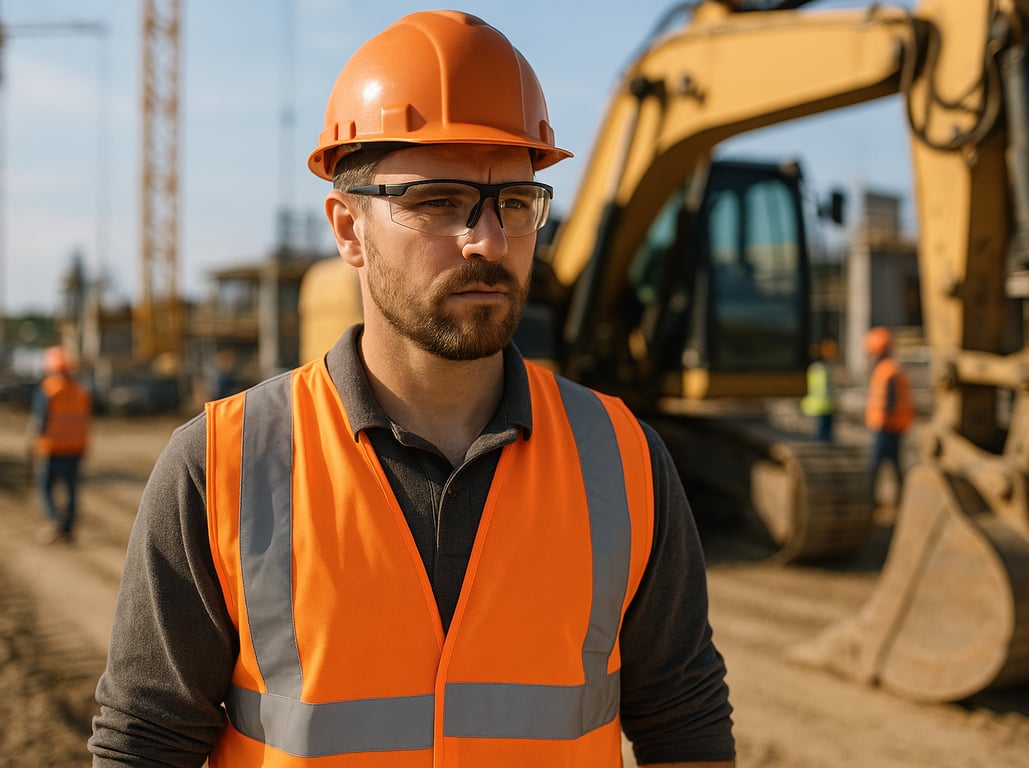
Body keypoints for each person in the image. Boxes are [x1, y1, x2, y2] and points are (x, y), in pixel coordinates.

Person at [89, 10, 735, 767]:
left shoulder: (622, 461)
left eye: (517, 204)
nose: (490, 241)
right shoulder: (222, 465)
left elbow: (684, 719)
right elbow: (146, 742)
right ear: (347, 228)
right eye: (437, 200)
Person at [27, 345, 91, 544]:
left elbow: (39, 421)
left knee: (45, 487)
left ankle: (57, 523)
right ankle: (68, 526)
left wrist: (31, 444)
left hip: (52, 449)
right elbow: (85, 421)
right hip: (75, 448)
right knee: (71, 489)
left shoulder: (49, 389)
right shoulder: (80, 391)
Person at [863, 326, 914, 506]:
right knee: (894, 465)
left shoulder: (887, 371)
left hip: (885, 427)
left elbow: (889, 402)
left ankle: (871, 500)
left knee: (875, 465)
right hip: (894, 426)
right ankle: (900, 499)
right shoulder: (892, 368)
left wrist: (882, 422)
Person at [800, 338, 837, 441]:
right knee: (823, 436)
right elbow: (825, 388)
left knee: (821, 434)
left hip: (819, 405)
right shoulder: (821, 369)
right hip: (823, 405)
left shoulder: (814, 368)